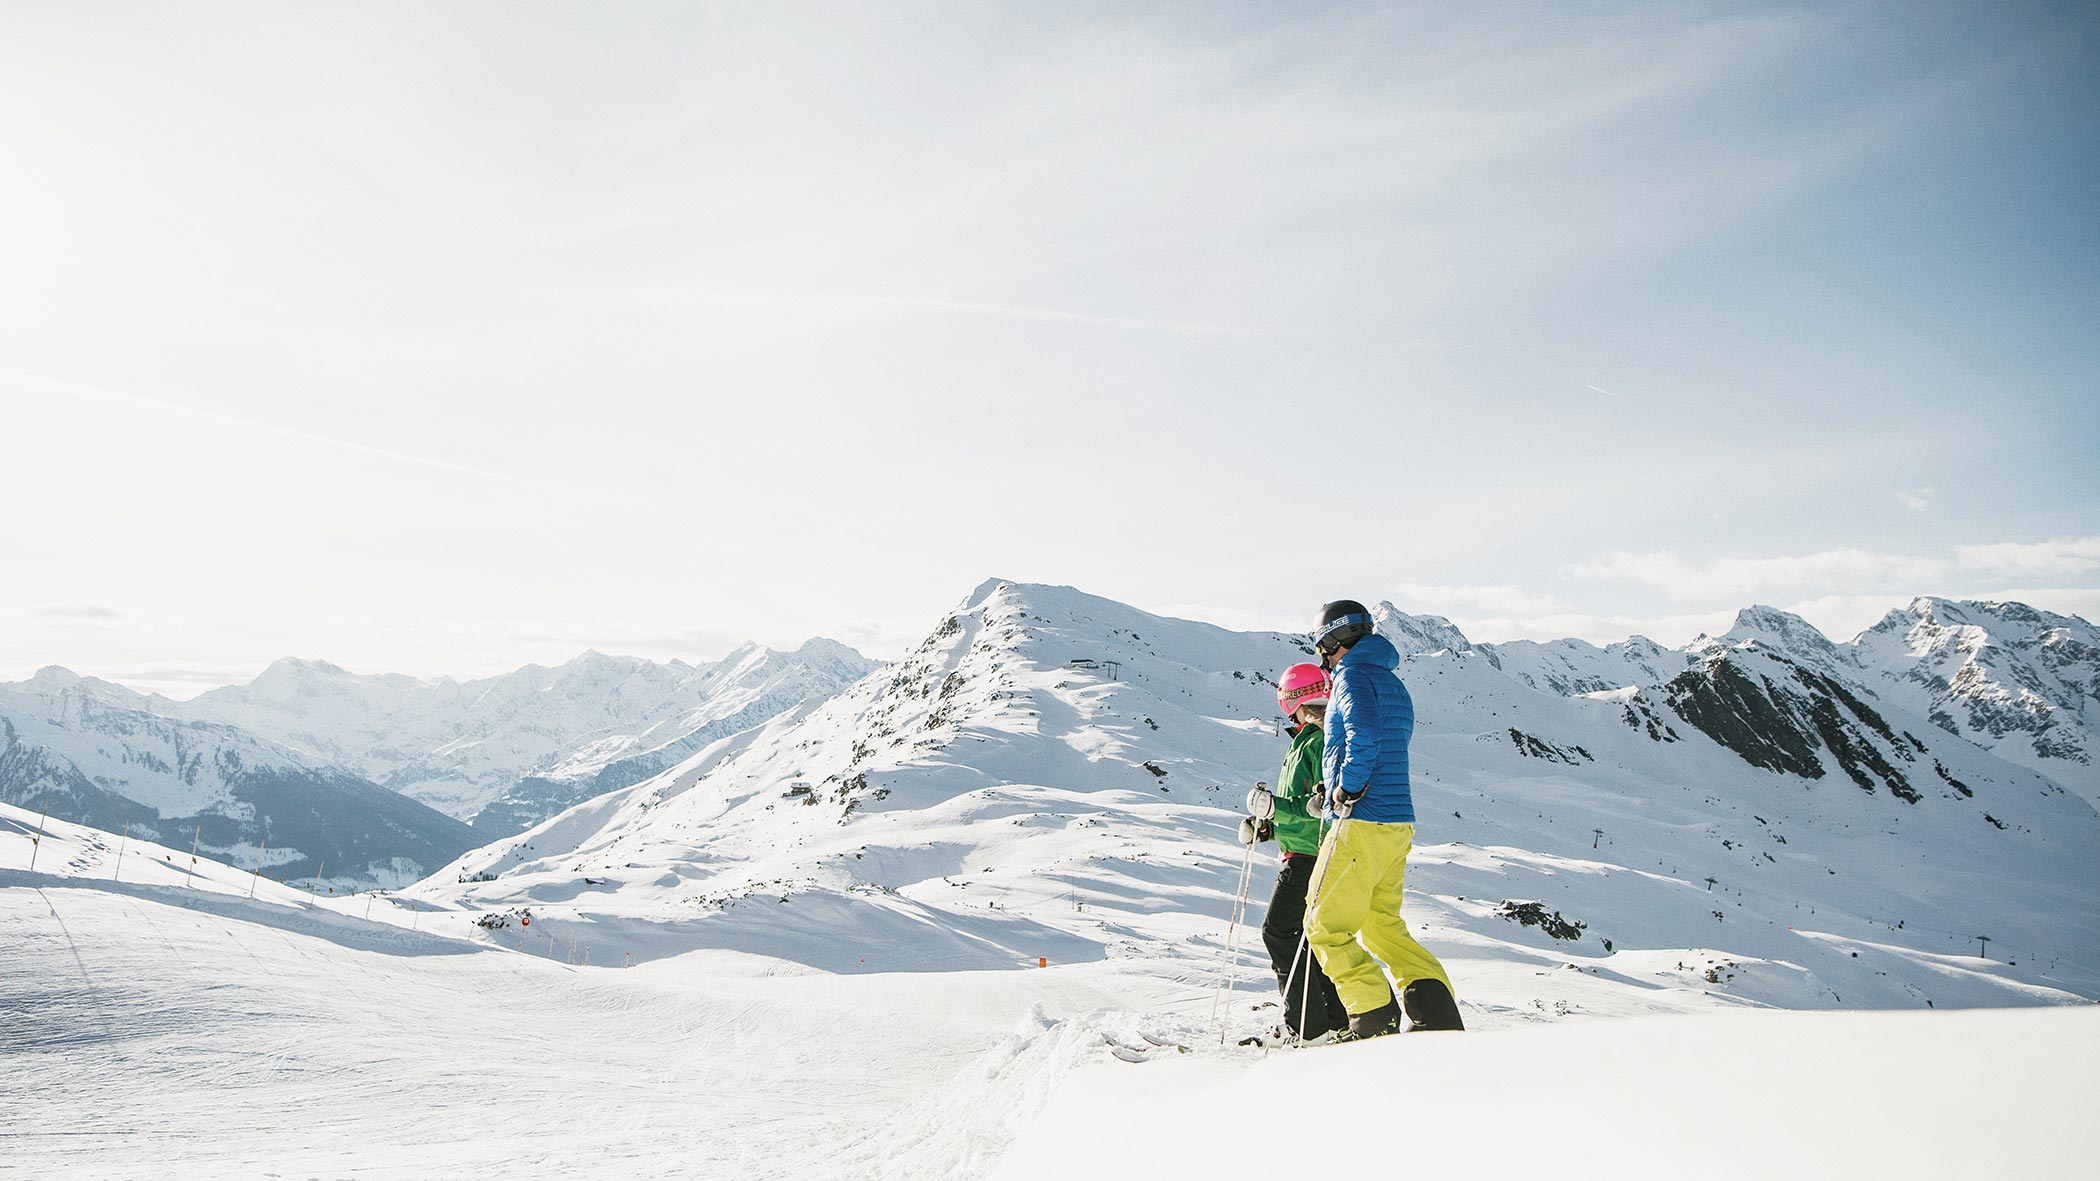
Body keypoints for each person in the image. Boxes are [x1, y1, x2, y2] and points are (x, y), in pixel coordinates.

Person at [1302, 599, 1464, 1038]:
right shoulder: (1388, 679)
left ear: (1335, 639)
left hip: (1362, 818)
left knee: (1323, 925)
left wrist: (1347, 788)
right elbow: (1385, 740)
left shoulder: (1351, 676)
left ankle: (1372, 1019)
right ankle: (1435, 1014)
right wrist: (1332, 784)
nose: (1323, 659)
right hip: (1395, 820)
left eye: (1323, 648)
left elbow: (1365, 735)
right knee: (1380, 924)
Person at [1239, 663, 1374, 1044]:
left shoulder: (1317, 742)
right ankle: (1333, 1021)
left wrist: (1275, 809)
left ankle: (1307, 1026)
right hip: (1303, 851)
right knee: (1306, 940)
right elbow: (1305, 808)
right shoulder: (1307, 741)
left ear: (1290, 699)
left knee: (1278, 934)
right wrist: (1265, 827)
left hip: (1308, 856)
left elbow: (1316, 806)